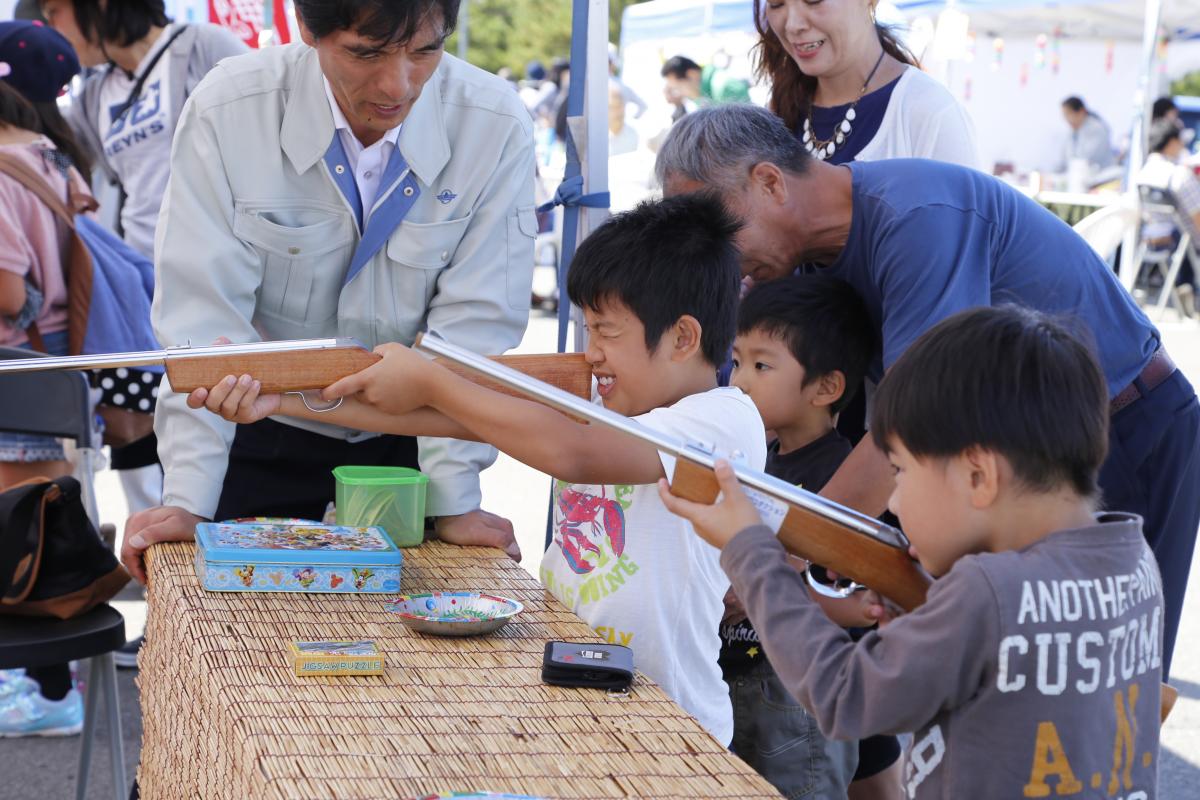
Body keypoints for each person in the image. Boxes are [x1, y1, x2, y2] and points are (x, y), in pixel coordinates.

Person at [187, 194, 768, 745]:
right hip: (576, 692)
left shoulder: (723, 421)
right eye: (588, 328)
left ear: (683, 338)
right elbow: (426, 412)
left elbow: (571, 451)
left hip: (671, 720)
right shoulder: (607, 404)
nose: (591, 351)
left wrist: (434, 378)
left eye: (606, 331)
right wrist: (275, 397)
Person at [656, 103, 1199, 680]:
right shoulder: (808, 254)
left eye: (717, 230)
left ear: (769, 182)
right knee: (1013, 687)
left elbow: (916, 423)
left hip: (1125, 431)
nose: (719, 256)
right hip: (1017, 457)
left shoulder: (919, 217)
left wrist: (776, 555)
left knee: (1109, 683)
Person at [660, 306, 1164, 800]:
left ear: (978, 477)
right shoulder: (1132, 559)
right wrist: (928, 612)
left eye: (900, 472)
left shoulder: (984, 593)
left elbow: (843, 697)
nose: (895, 501)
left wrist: (751, 551)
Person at [120, 0, 539, 586]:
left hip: (413, 443)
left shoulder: (493, 123)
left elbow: (474, 325)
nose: (398, 84)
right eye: (366, 52)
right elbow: (202, 319)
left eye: (426, 51)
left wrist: (453, 498)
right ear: (308, 31)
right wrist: (188, 497)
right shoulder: (230, 110)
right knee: (245, 652)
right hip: (257, 425)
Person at [722, 274, 877, 797]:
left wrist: (762, 591)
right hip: (737, 679)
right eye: (736, 361)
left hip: (799, 704)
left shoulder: (847, 479)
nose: (739, 381)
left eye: (762, 366)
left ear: (826, 388)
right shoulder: (753, 461)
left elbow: (861, 605)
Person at [0, 23, 91, 737]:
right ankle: (50, 689)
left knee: (19, 542)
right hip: (60, 362)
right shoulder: (51, 155)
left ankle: (46, 696)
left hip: (15, 367)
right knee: (47, 529)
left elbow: (8, 294)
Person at [754, 0, 976, 167]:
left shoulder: (929, 111)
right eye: (776, 3)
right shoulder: (780, 108)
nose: (793, 24)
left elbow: (965, 225)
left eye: (813, 0)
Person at [1136, 118, 1200, 315]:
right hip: (1182, 241)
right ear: (1172, 142)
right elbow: (1197, 216)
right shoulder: (1178, 174)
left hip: (1152, 236)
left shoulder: (1142, 172)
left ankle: (1183, 287)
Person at [1060, 95, 1115, 171]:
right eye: (1065, 115)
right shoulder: (1073, 132)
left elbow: (1087, 159)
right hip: (1083, 177)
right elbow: (1066, 158)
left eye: (1069, 114)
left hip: (1103, 176)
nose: (1067, 119)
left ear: (1081, 111)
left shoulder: (1096, 129)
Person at [607, 81, 638, 156]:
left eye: (619, 105)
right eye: (612, 107)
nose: (618, 112)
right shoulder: (598, 138)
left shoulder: (634, 136)